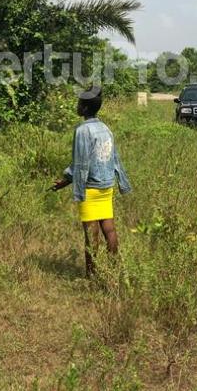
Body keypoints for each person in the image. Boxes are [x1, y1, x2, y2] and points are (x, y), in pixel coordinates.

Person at [52, 89, 131, 277]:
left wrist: (65, 181)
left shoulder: (82, 130)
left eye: (79, 103)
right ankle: (113, 270)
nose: (77, 106)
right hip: (106, 187)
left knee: (91, 234)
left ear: (85, 108)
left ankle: (91, 275)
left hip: (90, 189)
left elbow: (80, 163)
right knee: (109, 230)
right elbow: (115, 158)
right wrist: (121, 182)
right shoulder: (106, 128)